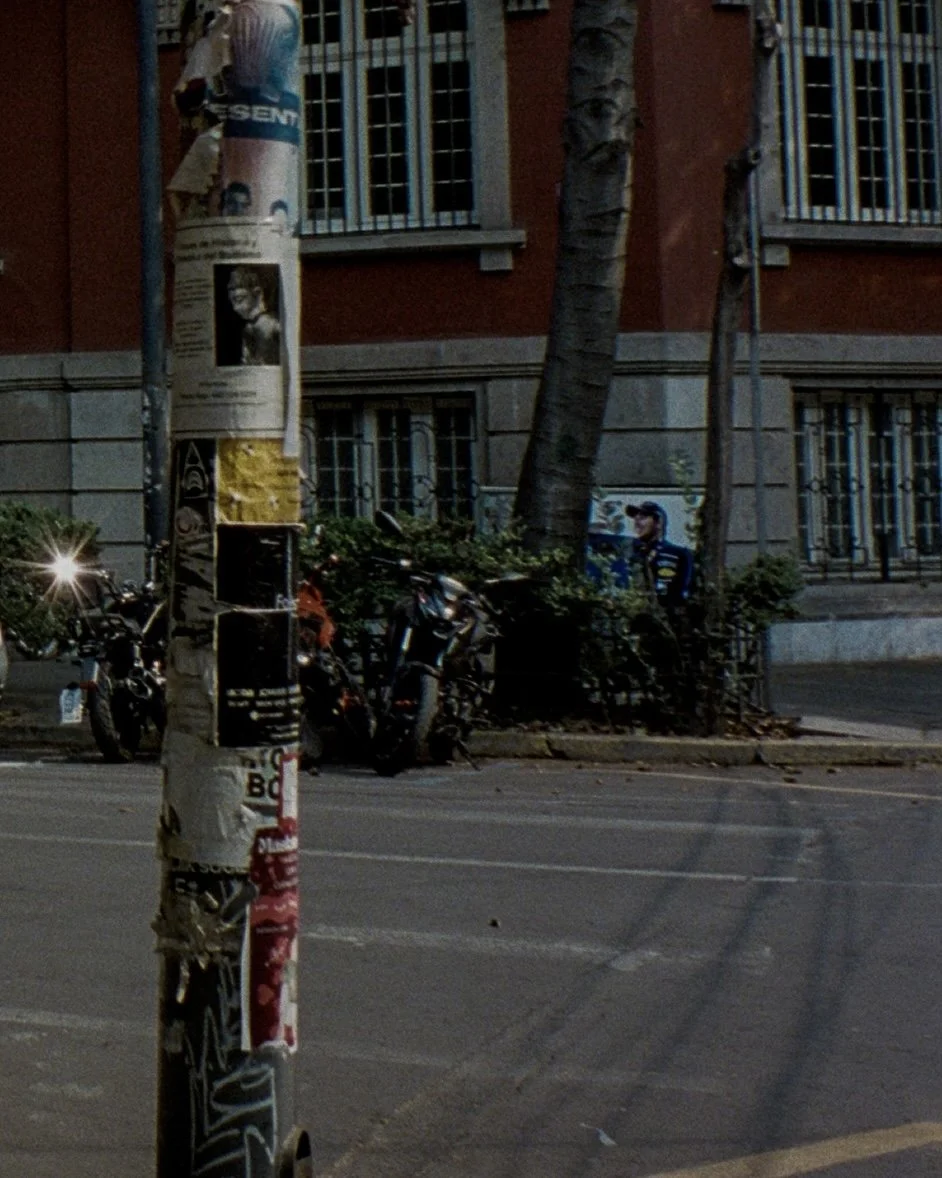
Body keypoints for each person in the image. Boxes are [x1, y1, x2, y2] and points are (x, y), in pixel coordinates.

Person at [625, 501, 693, 609]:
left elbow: (682, 593)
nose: (637, 521)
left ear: (658, 523)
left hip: (665, 614)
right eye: (635, 518)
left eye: (643, 517)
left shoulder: (678, 554)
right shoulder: (629, 554)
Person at [226, 266, 281, 365]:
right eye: (230, 289)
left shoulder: (274, 324)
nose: (235, 308)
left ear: (257, 292)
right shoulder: (248, 328)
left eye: (239, 299)